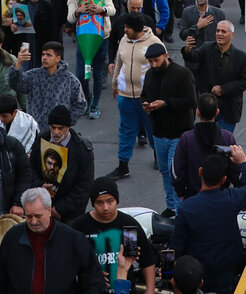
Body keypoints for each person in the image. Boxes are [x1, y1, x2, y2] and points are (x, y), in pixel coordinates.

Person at [170, 143, 246, 294]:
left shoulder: (187, 207)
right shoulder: (231, 199)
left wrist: (166, 273)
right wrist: (243, 162)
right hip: (226, 274)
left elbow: (176, 245)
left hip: (199, 274)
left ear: (200, 172)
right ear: (224, 179)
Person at [0, 186, 104, 294]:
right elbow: (0, 280)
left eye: (38, 216)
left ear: (49, 210)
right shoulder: (12, 237)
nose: (33, 222)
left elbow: (92, 280)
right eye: (28, 216)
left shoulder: (73, 239)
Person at [70, 177, 159, 294]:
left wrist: (150, 290)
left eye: (110, 201)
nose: (105, 207)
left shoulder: (128, 225)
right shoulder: (80, 226)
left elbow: (147, 260)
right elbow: (67, 262)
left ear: (117, 200)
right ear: (93, 203)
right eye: (99, 202)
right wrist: (90, 273)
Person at [140, 41, 196, 216]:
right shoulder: (150, 74)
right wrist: (146, 104)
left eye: (156, 60)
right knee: (164, 170)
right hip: (159, 133)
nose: (153, 65)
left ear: (166, 56)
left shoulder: (183, 74)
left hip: (179, 133)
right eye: (150, 61)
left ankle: (180, 211)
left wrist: (165, 103)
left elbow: (191, 101)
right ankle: (171, 206)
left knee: (175, 174)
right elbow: (144, 94)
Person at [107, 13, 156, 180]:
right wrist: (115, 85)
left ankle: (159, 157)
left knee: (153, 131)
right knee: (126, 132)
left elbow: (163, 68)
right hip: (126, 96)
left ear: (136, 28)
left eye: (127, 27)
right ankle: (123, 166)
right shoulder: (123, 40)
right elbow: (119, 63)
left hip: (147, 98)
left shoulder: (154, 42)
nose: (124, 29)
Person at [180, 20, 246, 132]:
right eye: (217, 31)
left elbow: (245, 81)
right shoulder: (206, 48)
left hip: (228, 110)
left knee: (222, 140)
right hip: (208, 107)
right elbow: (193, 58)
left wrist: (223, 89)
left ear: (232, 35)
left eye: (223, 31)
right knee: (206, 139)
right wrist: (187, 50)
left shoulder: (242, 57)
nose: (219, 34)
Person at [30, 105, 95, 221]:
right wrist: (40, 186)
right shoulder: (41, 140)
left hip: (70, 213)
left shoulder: (82, 149)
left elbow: (84, 185)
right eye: (53, 127)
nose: (56, 132)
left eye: (61, 128)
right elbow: (30, 169)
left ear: (68, 127)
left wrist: (60, 208)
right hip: (43, 206)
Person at [173, 92, 239, 200]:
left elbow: (177, 169)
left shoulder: (186, 138)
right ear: (217, 112)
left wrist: (181, 193)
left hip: (193, 196)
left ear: (197, 112)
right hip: (222, 196)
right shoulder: (227, 137)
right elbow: (235, 167)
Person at [9, 40, 88, 122]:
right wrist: (18, 63)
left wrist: (66, 122)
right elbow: (14, 84)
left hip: (59, 127)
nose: (44, 58)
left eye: (49, 55)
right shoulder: (33, 75)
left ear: (58, 58)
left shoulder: (70, 79)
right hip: (36, 127)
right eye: (43, 54)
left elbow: (80, 104)